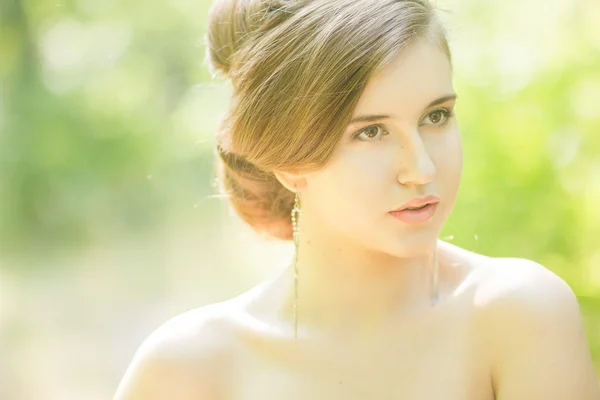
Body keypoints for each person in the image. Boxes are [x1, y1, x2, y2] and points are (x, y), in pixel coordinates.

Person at [113, 0, 600, 399]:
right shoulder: (189, 369)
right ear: (286, 159)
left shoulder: (516, 316)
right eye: (371, 132)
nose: (422, 168)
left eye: (436, 117)